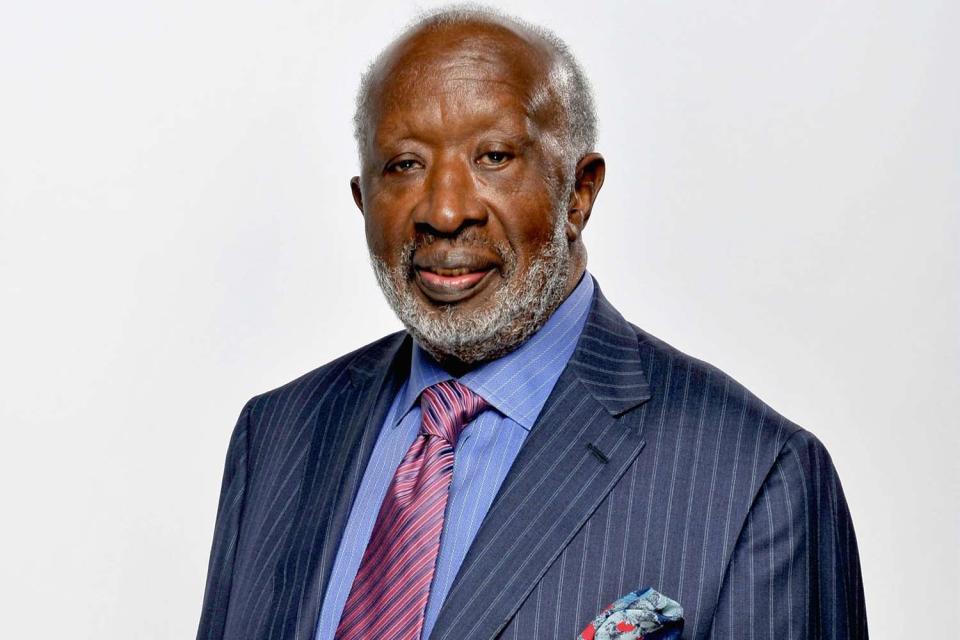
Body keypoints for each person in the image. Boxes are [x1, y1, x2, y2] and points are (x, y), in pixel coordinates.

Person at [197, 7, 867, 640]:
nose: (445, 210)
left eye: (493, 157)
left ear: (579, 191)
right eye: (405, 165)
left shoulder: (756, 474)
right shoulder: (277, 436)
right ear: (361, 199)